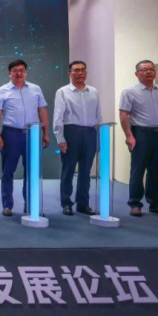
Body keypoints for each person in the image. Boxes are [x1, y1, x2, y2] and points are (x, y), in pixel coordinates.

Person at [119, 60, 158, 217]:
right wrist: (129, 136)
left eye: (151, 69)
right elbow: (124, 114)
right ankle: (135, 204)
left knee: (157, 170)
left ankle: (155, 203)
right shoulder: (129, 92)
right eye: (144, 70)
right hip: (141, 133)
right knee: (138, 169)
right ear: (137, 73)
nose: (148, 72)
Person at [0, 59, 50, 216]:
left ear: (26, 72)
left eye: (22, 70)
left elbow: (42, 111)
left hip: (32, 134)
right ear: (9, 73)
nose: (19, 73)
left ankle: (30, 205)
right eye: (15, 70)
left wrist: (46, 133)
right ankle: (7, 205)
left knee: (32, 171)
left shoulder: (35, 89)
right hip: (11, 134)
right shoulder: (2, 91)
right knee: (8, 171)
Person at [53, 61, 101, 216]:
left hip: (90, 133)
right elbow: (58, 117)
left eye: (82, 70)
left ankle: (83, 204)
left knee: (86, 171)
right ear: (70, 73)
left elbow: (98, 116)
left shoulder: (93, 91)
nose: (80, 73)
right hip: (71, 132)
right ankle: (66, 203)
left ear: (86, 72)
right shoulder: (63, 92)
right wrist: (60, 138)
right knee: (68, 170)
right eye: (76, 70)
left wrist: (98, 138)